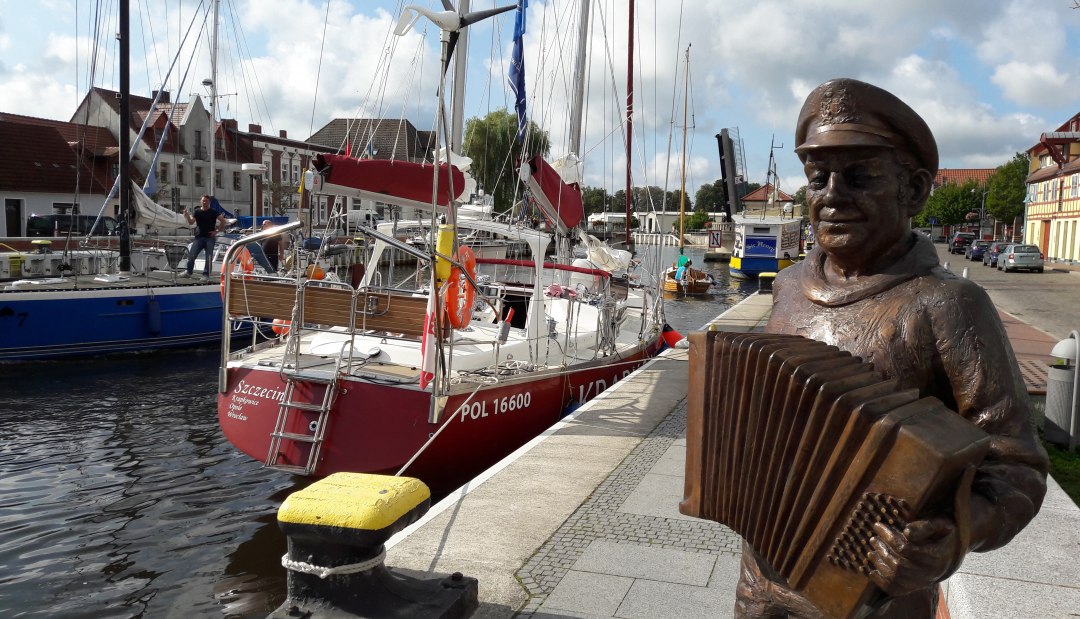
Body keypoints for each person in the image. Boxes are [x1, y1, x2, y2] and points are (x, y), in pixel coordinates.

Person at [736, 78, 1049, 618]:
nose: (831, 194)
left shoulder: (948, 305)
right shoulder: (788, 287)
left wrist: (954, 534)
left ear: (917, 190)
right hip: (762, 581)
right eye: (817, 178)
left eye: (858, 177)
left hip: (873, 600)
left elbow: (1016, 466)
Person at [181, 195, 226, 278]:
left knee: (208, 258)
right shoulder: (197, 212)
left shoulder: (213, 212)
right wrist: (187, 215)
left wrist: (216, 231)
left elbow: (223, 221)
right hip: (199, 237)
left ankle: (206, 275)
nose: (205, 202)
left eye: (206, 201)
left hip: (210, 238)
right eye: (203, 201)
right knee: (191, 255)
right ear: (200, 202)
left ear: (209, 202)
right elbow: (191, 222)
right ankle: (188, 272)